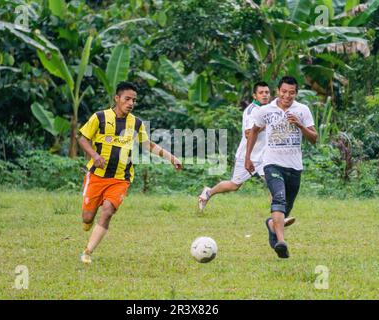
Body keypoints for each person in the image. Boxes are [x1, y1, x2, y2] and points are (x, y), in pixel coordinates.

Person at [78, 82, 183, 264]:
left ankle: (87, 252)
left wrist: (171, 157)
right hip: (96, 176)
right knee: (87, 218)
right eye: (127, 99)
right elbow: (83, 139)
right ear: (117, 98)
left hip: (121, 178)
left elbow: (148, 145)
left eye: (134, 100)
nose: (131, 103)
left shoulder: (136, 123)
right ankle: (88, 221)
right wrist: (94, 155)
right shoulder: (100, 117)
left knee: (108, 211)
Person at [197, 82, 295, 227]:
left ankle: (280, 217)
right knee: (234, 185)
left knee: (272, 184)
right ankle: (208, 193)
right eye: (261, 93)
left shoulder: (271, 108)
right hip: (247, 156)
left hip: (266, 157)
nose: (265, 95)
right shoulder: (252, 111)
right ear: (255, 95)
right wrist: (266, 125)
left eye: (267, 92)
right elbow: (249, 133)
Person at [245, 76, 317, 258]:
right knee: (279, 198)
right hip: (272, 163)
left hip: (294, 167)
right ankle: (281, 242)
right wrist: (248, 157)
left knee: (286, 209)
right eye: (284, 92)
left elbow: (314, 138)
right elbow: (253, 132)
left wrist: (299, 125)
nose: (287, 96)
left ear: (296, 93)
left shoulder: (302, 110)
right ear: (278, 91)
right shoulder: (265, 111)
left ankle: (272, 225)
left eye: (291, 93)